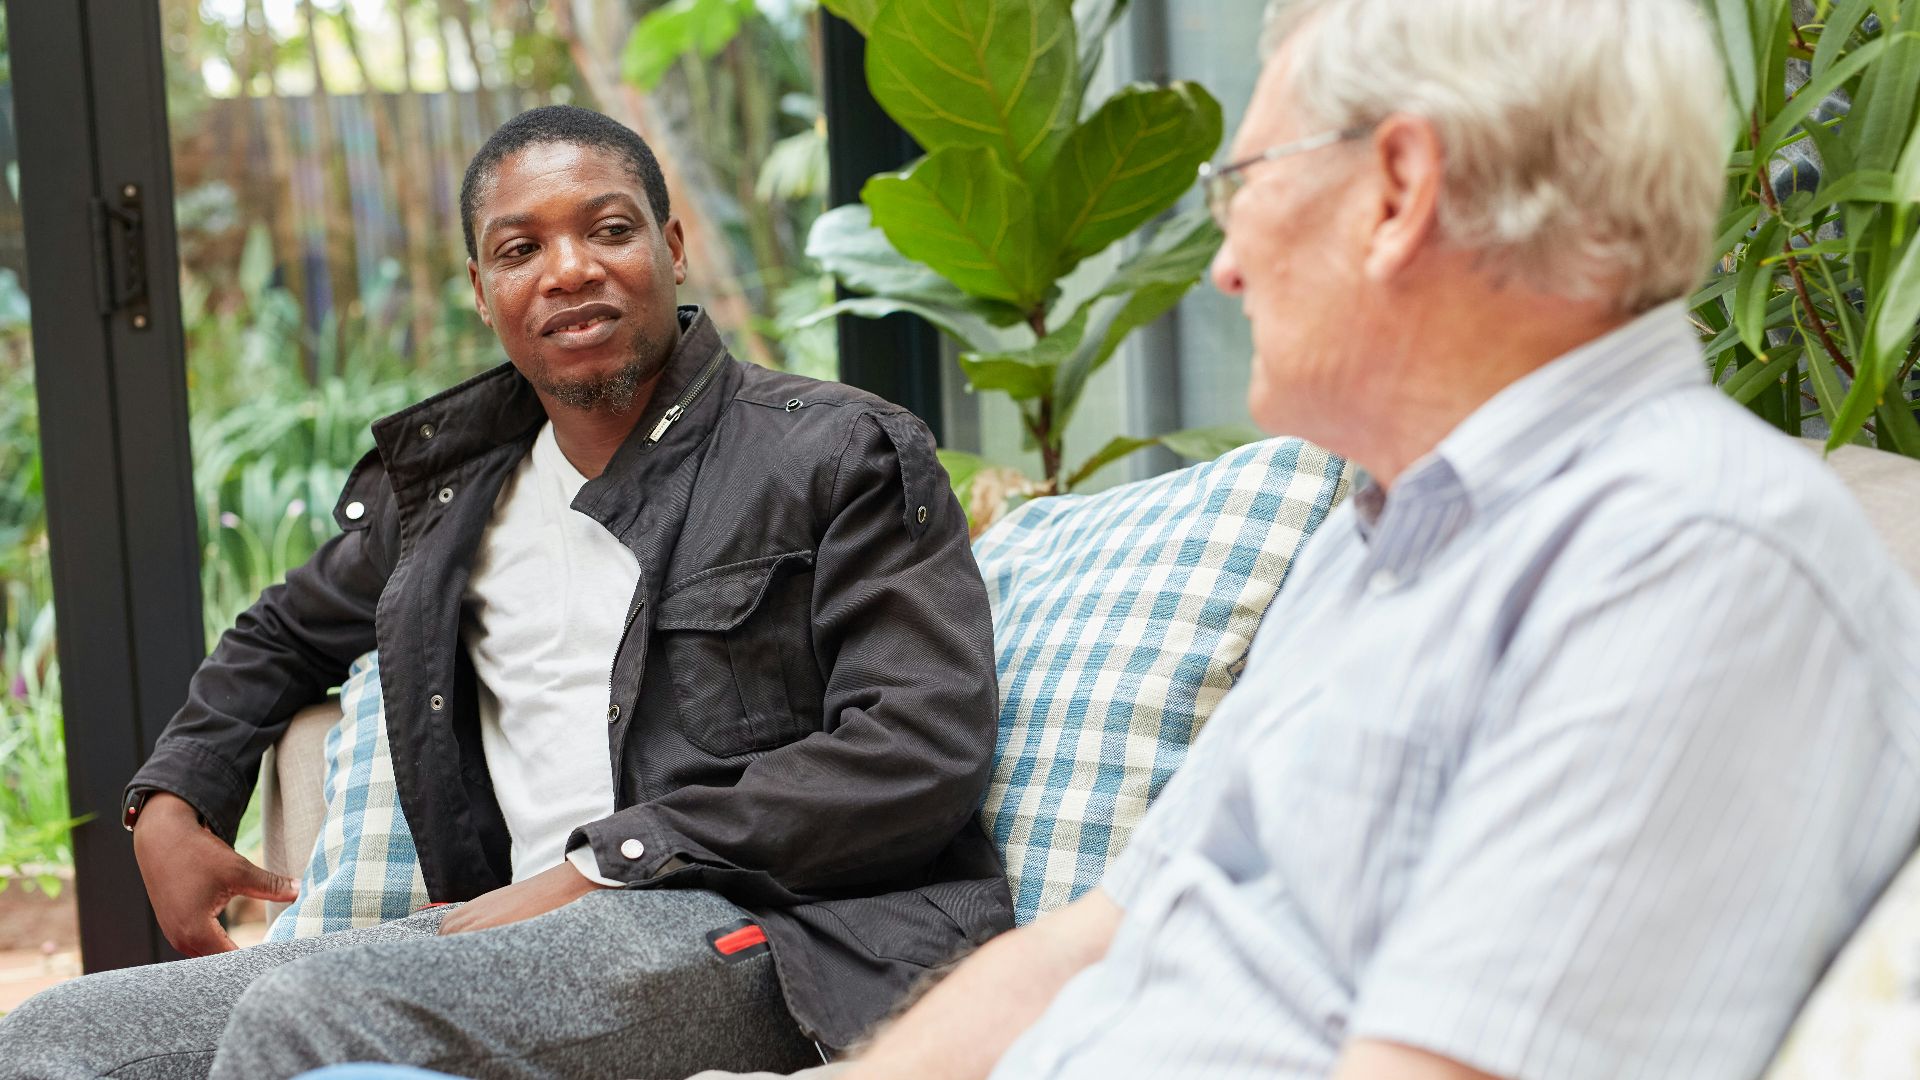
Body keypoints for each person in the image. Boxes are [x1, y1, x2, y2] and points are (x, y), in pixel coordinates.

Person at [738, 1, 1920, 1078]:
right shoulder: (1376, 544)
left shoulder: (1691, 557)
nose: (1228, 265)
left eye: (1239, 182)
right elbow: (1094, 942)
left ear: (1398, 188)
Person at [0, 104, 1010, 1080]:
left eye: (608, 230)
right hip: (502, 944)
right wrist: (174, 794)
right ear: (482, 292)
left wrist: (605, 862)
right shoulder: (454, 500)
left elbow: (919, 745)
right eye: (520, 250)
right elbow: (281, 633)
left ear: (671, 246)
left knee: (327, 1014)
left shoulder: (834, 452)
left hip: (779, 931)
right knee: (60, 1035)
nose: (569, 269)